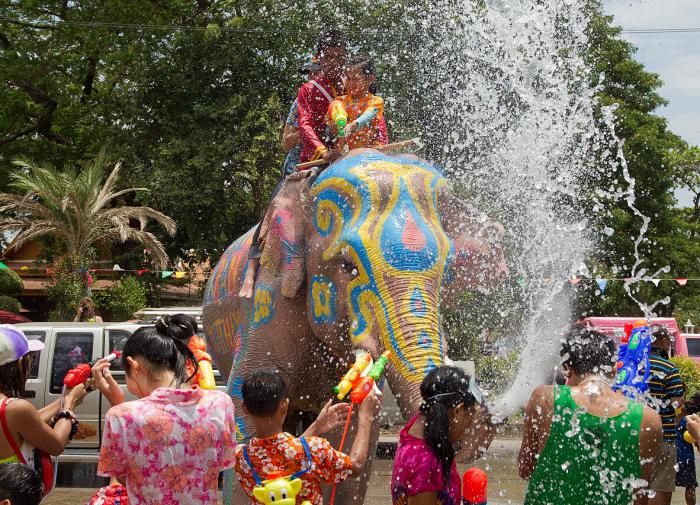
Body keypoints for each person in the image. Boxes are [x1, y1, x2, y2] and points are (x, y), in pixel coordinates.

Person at [92, 314, 236, 504]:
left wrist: (118, 404)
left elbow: (122, 479)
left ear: (134, 366)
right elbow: (222, 462)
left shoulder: (121, 416)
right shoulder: (221, 403)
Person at [519, 325, 662, 505]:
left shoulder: (546, 399)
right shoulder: (648, 419)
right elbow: (639, 497)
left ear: (567, 370)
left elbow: (525, 469)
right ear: (613, 371)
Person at [233, 368, 381, 505]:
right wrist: (365, 415)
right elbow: (355, 466)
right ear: (284, 405)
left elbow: (282, 457)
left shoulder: (240, 458)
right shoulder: (314, 448)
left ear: (245, 408)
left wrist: (317, 426)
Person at [391, 365, 495, 505]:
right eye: (470, 416)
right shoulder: (425, 466)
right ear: (457, 412)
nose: (469, 426)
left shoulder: (419, 426)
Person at [0, 324, 88, 466]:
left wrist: (66, 396)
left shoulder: (13, 412)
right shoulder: (15, 410)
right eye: (31, 358)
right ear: (20, 363)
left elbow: (31, 422)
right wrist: (69, 403)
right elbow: (57, 445)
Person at [646, 324, 685, 505]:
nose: (669, 343)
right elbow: (678, 400)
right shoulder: (669, 367)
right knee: (661, 485)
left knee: (639, 485)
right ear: (662, 342)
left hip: (637, 432)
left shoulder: (635, 364)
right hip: (664, 434)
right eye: (668, 340)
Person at [297, 29, 348, 165]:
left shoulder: (354, 85)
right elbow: (305, 126)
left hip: (352, 156)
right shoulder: (308, 90)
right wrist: (324, 151)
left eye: (340, 58)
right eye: (330, 57)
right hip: (318, 159)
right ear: (320, 59)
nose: (335, 63)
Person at [327, 57, 388, 151]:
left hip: (370, 153)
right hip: (344, 155)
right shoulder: (339, 101)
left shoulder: (376, 101)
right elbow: (329, 133)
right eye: (348, 78)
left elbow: (368, 116)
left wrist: (353, 125)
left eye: (355, 79)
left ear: (370, 79)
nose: (350, 83)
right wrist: (334, 128)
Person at [677, 388, 700, 505]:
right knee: (690, 485)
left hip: (683, 455)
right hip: (683, 455)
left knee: (690, 485)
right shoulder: (691, 418)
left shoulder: (689, 417)